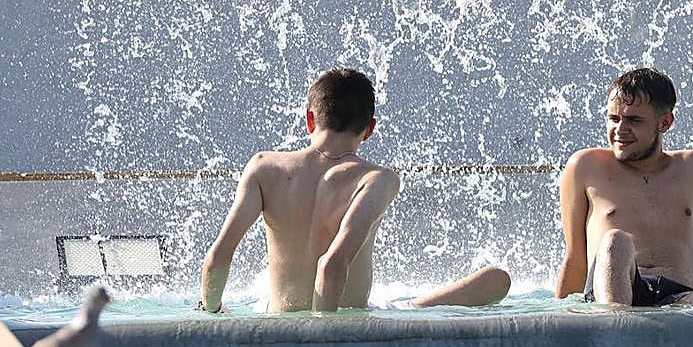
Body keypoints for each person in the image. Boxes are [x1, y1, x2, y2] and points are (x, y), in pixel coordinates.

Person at [199, 67, 510, 313]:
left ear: (310, 120)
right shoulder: (376, 179)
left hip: (279, 316)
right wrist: (325, 343)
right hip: (343, 321)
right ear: (370, 128)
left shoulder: (264, 167)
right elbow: (333, 264)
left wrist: (212, 312)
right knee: (497, 281)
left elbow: (217, 259)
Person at [555, 67, 693, 311]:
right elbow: (574, 259)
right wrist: (559, 318)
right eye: (614, 119)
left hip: (677, 295)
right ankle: (617, 322)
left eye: (634, 120)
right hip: (610, 291)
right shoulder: (585, 166)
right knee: (616, 240)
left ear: (665, 122)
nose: (620, 130)